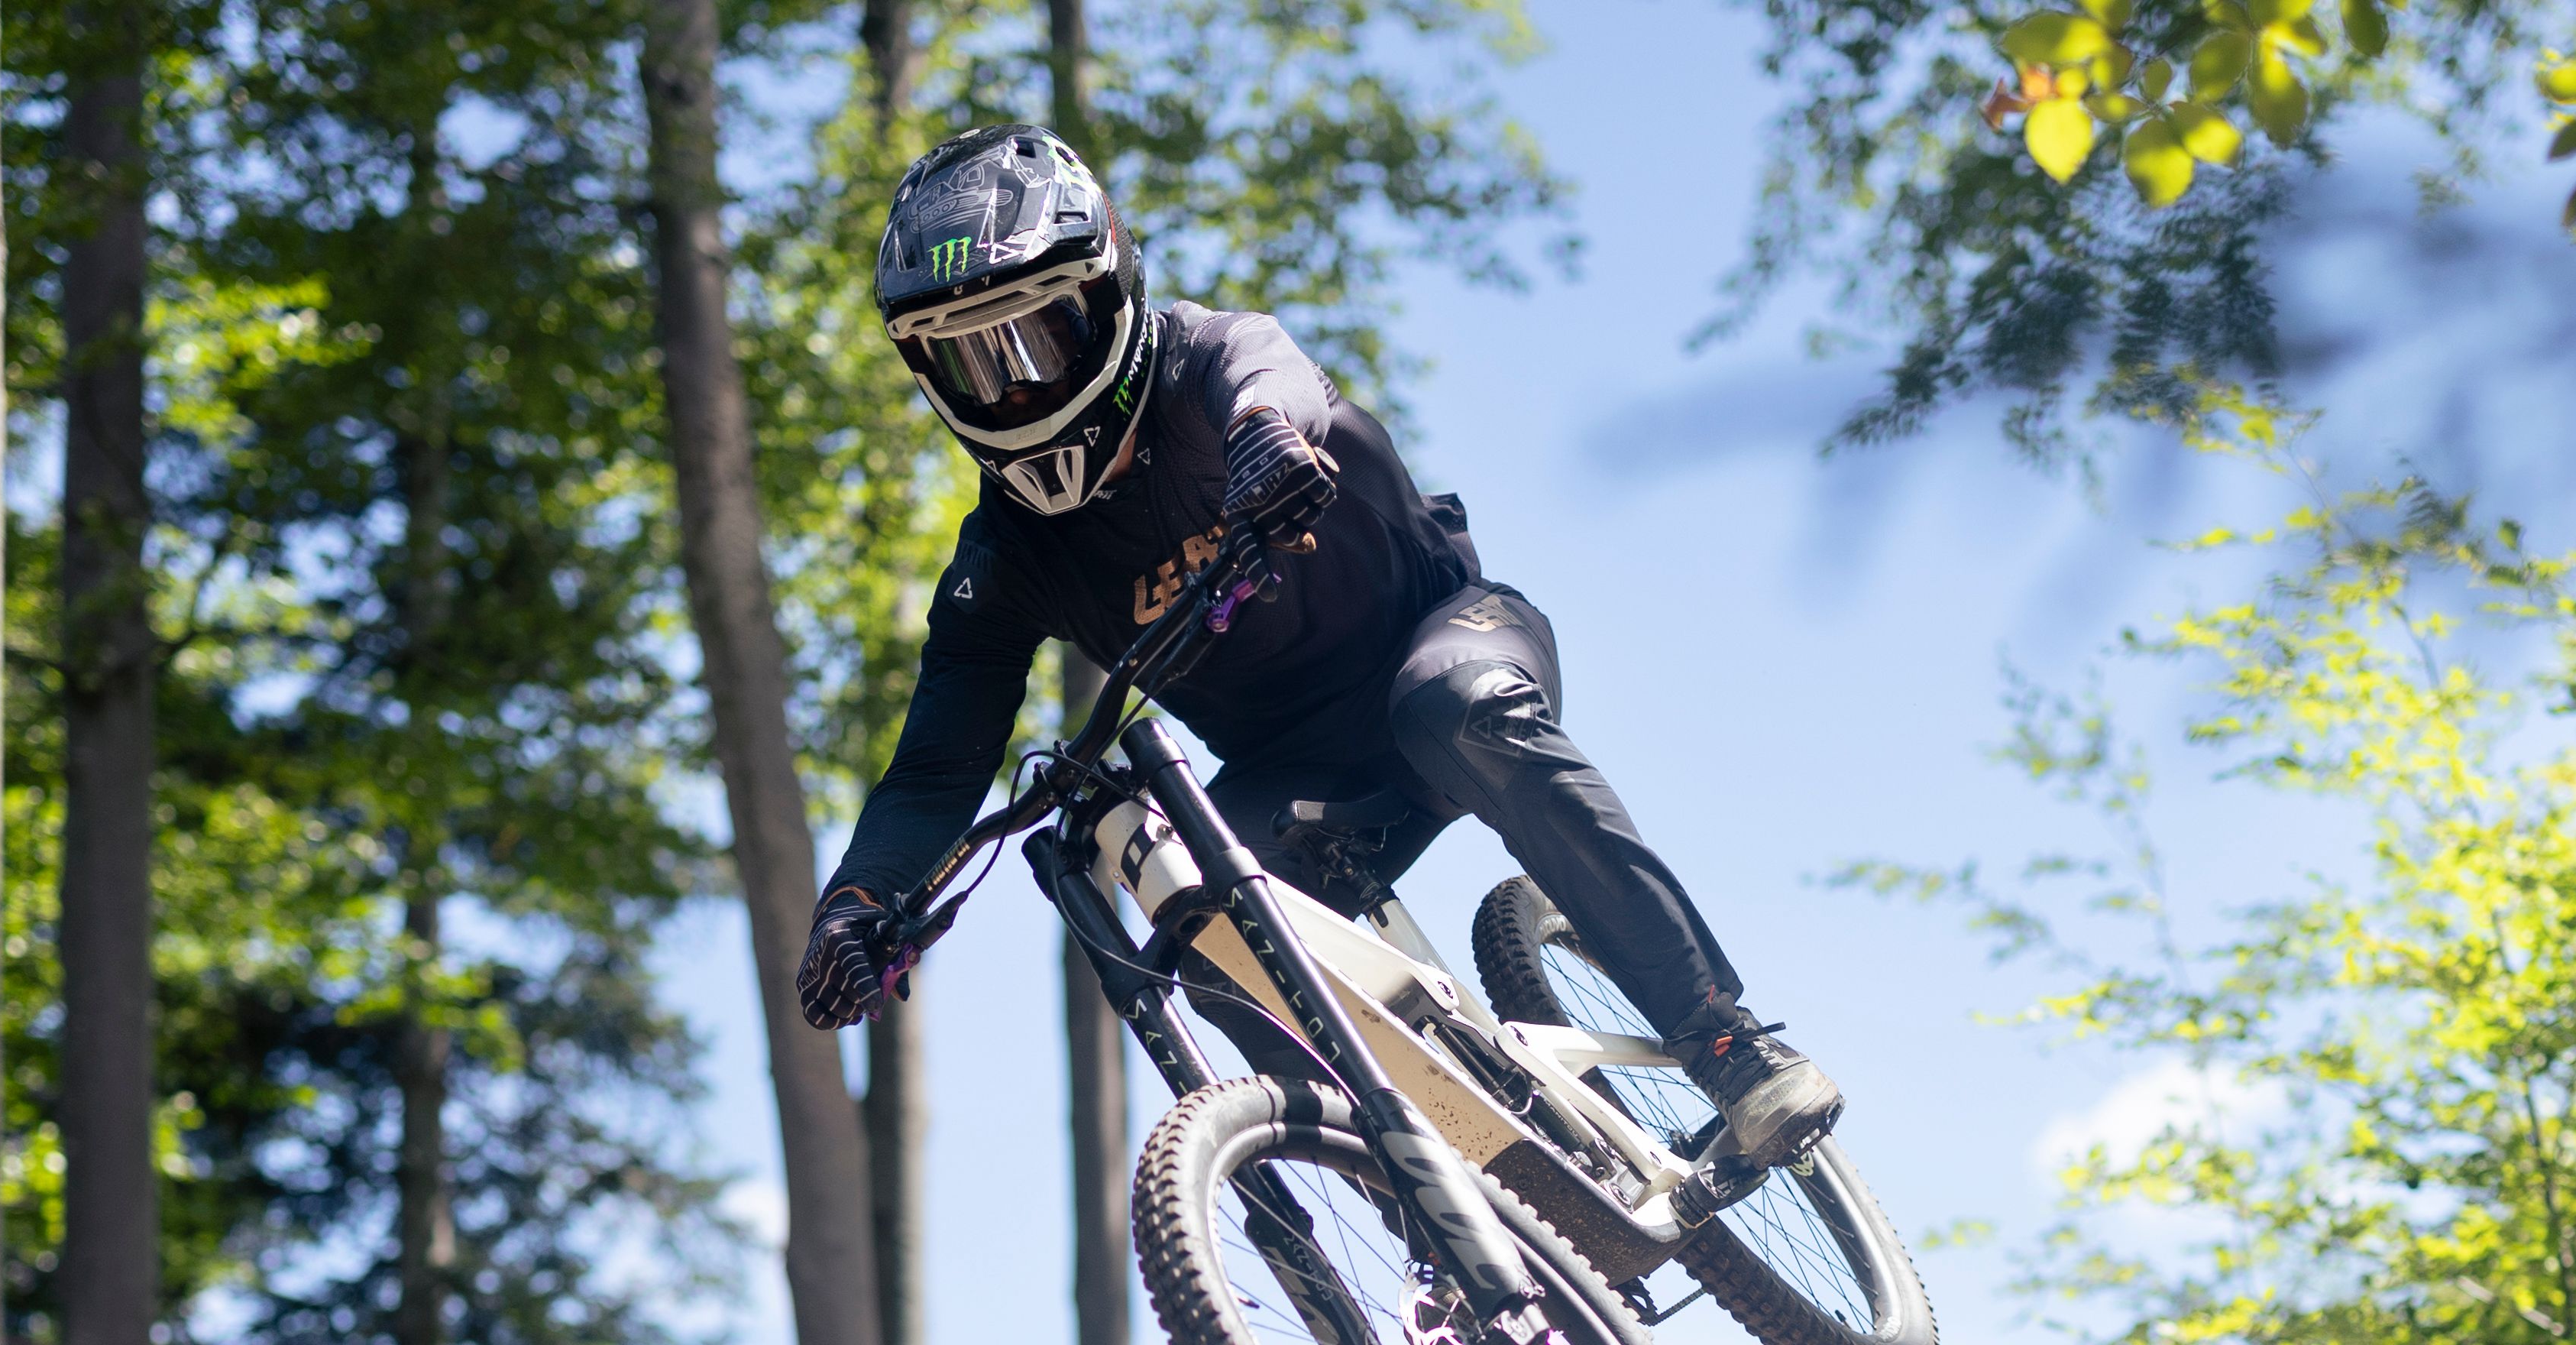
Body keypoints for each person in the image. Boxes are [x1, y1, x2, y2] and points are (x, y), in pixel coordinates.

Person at [791, 125, 1845, 1169]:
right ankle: (1440, 1203)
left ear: (1111, 293)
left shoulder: (1206, 358)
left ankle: (1727, 1047)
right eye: (975, 362)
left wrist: (1266, 436)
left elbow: (1270, 373)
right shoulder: (1005, 556)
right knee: (1205, 928)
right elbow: (936, 765)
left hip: (1440, 641)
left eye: (1040, 337)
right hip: (1299, 772)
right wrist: (857, 903)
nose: (1016, 388)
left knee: (1454, 710)